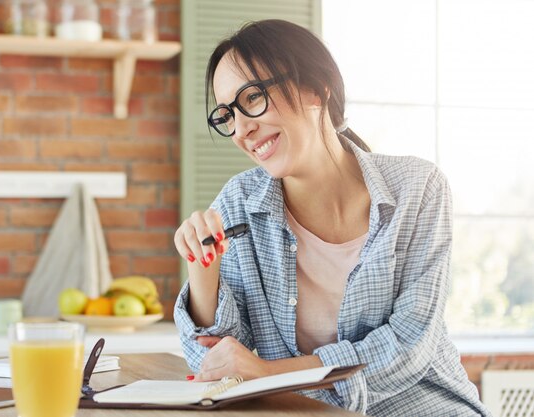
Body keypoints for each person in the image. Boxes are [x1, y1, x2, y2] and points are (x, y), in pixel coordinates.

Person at [173, 19, 490, 417]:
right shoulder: (239, 202)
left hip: (427, 406)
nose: (242, 129)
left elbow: (410, 344)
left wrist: (273, 373)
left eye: (252, 98)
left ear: (315, 88)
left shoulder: (418, 188)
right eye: (227, 115)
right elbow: (213, 362)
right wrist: (203, 268)